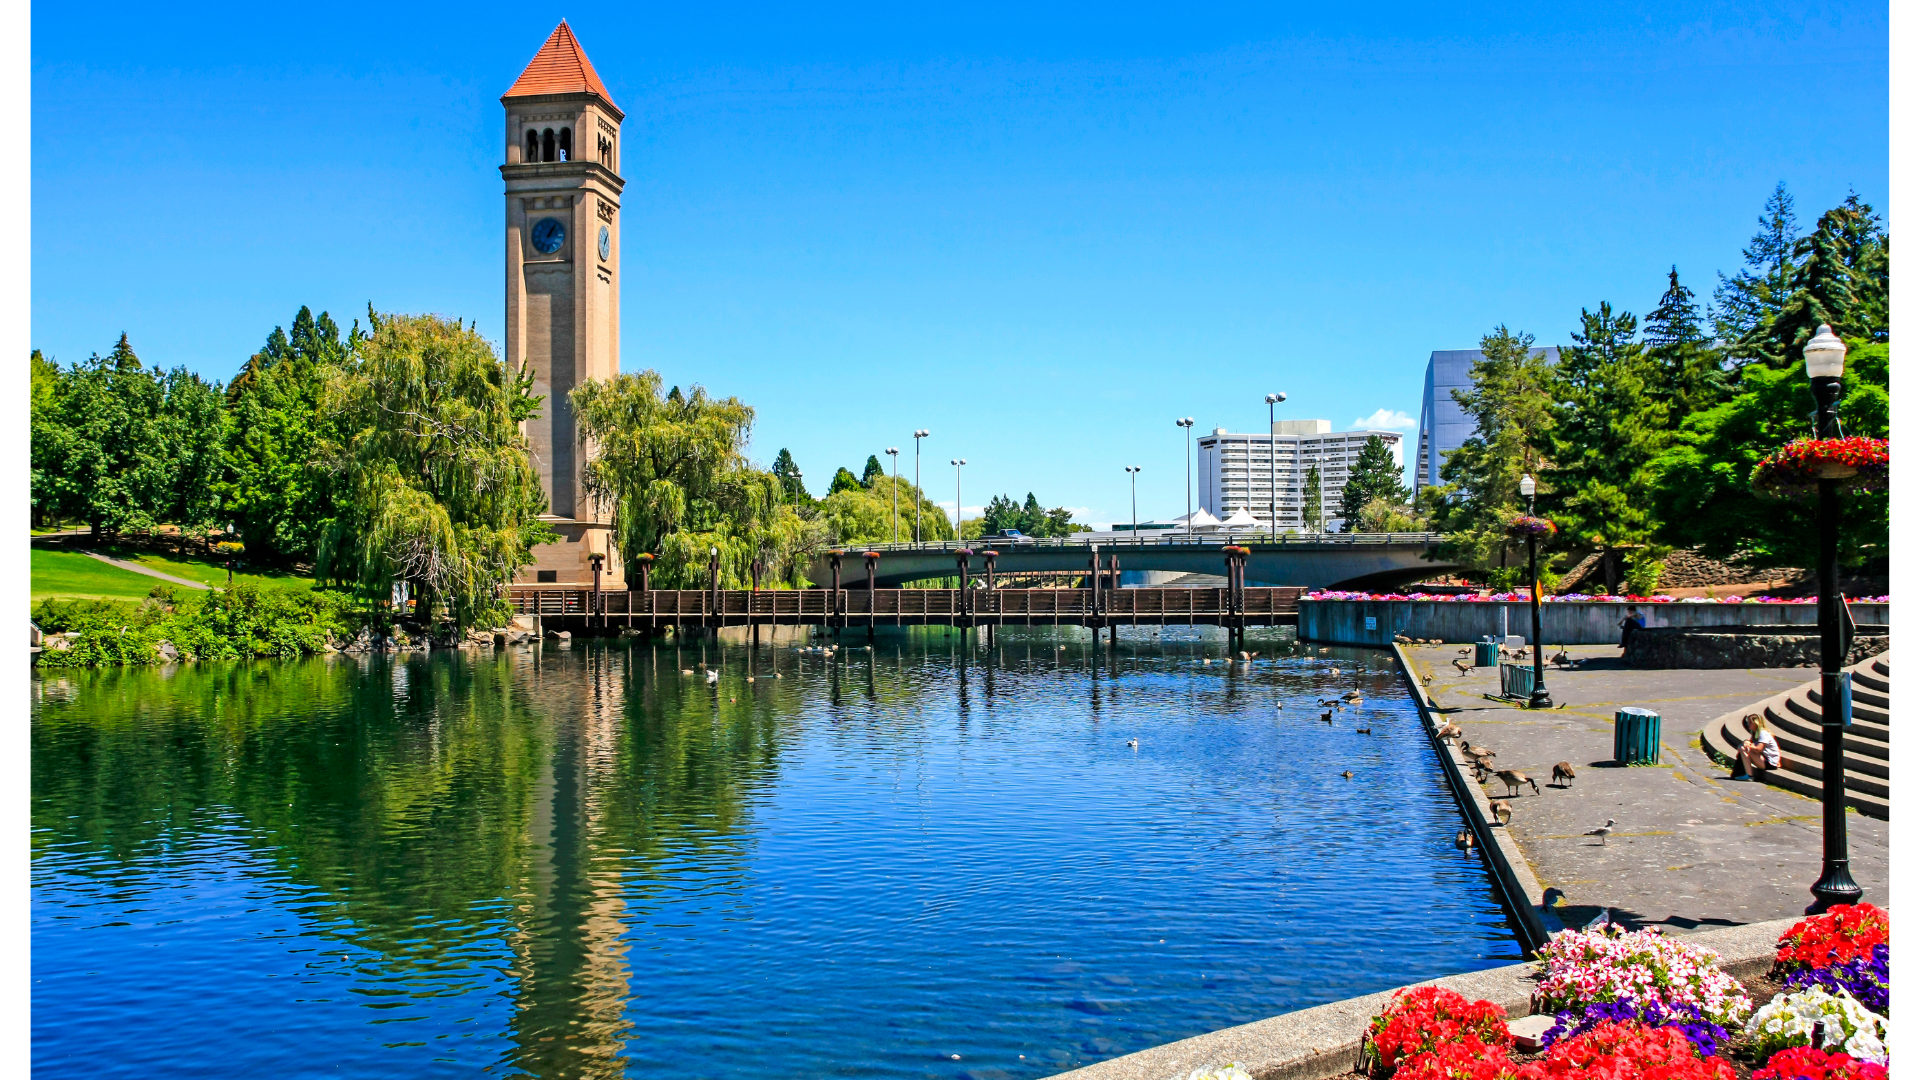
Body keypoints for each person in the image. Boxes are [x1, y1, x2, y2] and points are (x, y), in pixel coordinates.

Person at [1732, 713, 1781, 781]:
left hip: (1770, 763)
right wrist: (1746, 742)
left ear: (1756, 723)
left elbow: (1758, 749)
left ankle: (1749, 775)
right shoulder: (1755, 733)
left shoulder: (1763, 733)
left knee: (1744, 748)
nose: (1748, 724)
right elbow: (1749, 741)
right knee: (1742, 747)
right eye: (1748, 722)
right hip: (1764, 760)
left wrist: (1749, 745)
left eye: (1750, 723)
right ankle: (1745, 774)